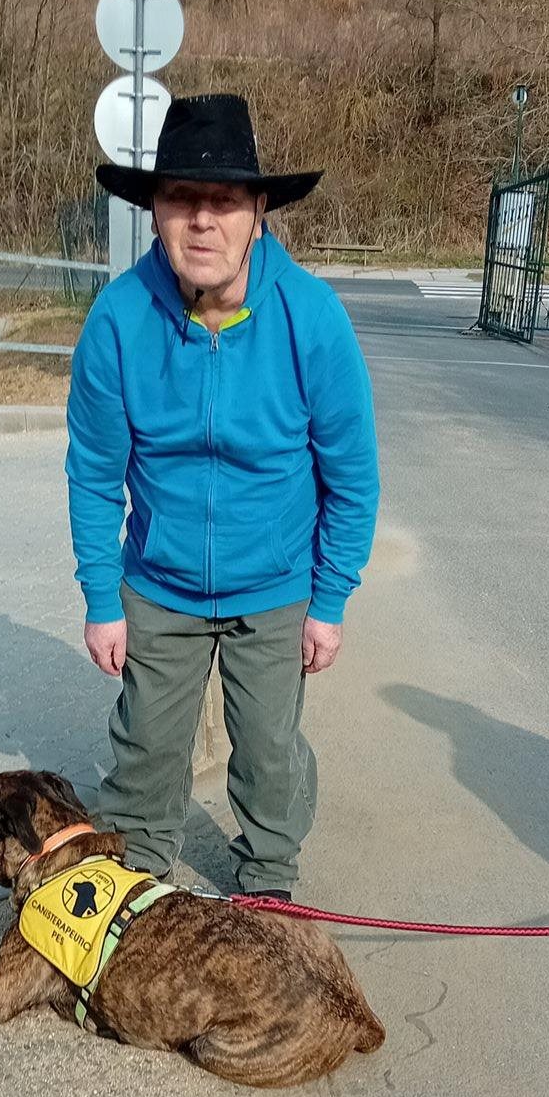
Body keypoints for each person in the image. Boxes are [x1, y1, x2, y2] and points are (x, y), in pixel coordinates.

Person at [65, 92, 379, 900]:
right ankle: (136, 889)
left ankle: (269, 884)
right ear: (155, 211)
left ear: (259, 211)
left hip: (275, 587)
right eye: (181, 199)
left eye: (225, 200)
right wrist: (102, 598)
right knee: (144, 752)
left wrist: (329, 600)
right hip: (158, 586)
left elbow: (352, 478)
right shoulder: (118, 320)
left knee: (269, 754)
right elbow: (94, 473)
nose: (202, 220)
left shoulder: (312, 318)